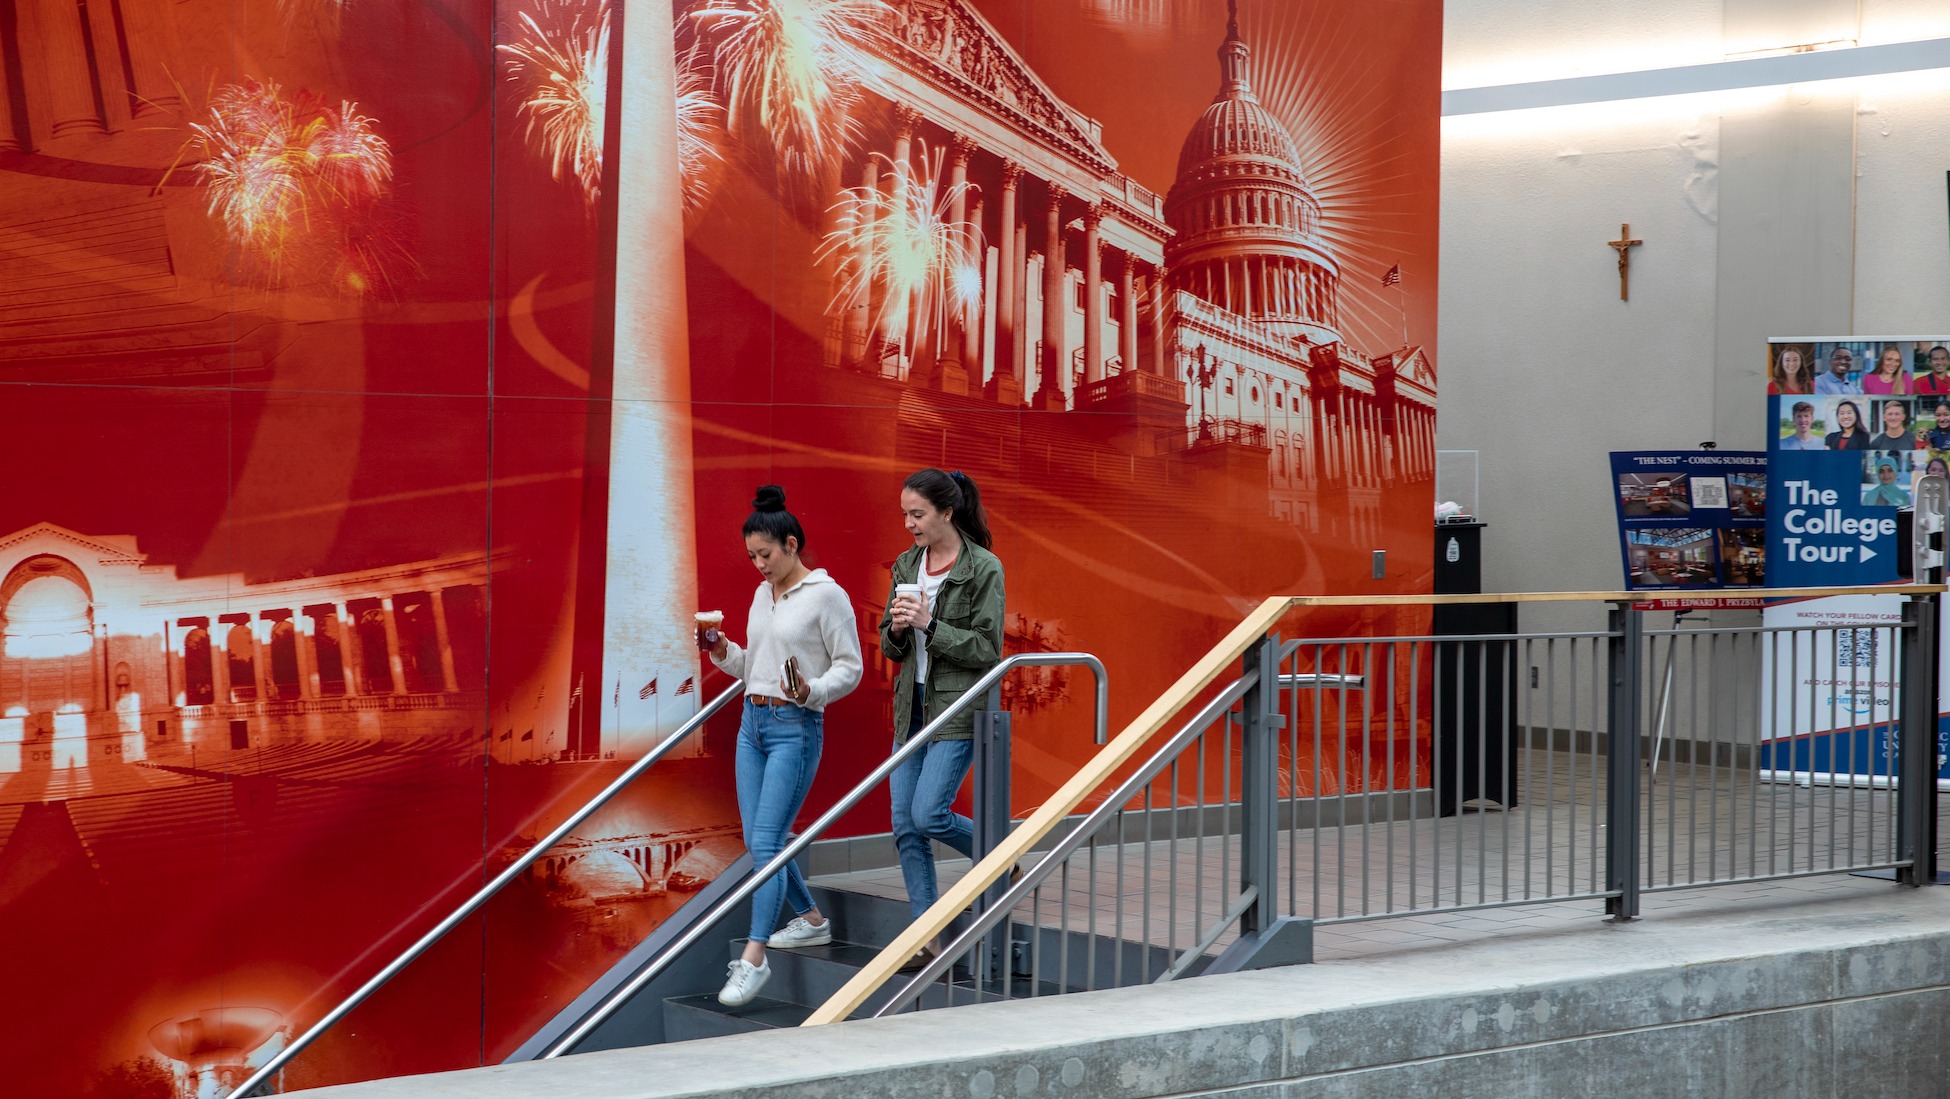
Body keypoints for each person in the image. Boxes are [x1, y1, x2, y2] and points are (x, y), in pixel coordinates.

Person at [702, 485, 863, 1008]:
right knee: (759, 840)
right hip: (753, 723)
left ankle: (754, 958)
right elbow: (755, 667)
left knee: (767, 845)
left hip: (796, 726)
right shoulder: (761, 594)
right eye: (751, 556)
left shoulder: (826, 595)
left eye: (765, 555)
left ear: (791, 545)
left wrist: (812, 691)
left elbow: (851, 667)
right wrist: (723, 651)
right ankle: (812, 920)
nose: (758, 565)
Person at [878, 468, 1004, 967]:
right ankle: (925, 933)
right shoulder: (907, 564)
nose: (909, 524)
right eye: (905, 514)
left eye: (917, 514)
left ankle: (997, 857)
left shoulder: (983, 568)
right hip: (911, 706)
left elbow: (987, 649)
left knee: (928, 814)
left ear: (946, 513)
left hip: (955, 706)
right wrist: (900, 628)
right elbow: (891, 645)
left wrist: (931, 624)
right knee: (904, 826)